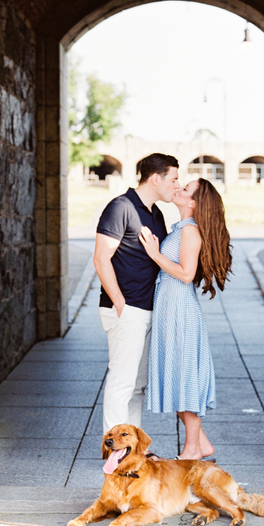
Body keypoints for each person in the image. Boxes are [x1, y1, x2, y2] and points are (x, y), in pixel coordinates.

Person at [139, 178, 232, 460]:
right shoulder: (181, 228)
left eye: (186, 188)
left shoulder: (190, 231)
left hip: (180, 312)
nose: (178, 188)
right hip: (171, 310)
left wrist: (154, 254)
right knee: (176, 378)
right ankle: (202, 444)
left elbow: (186, 274)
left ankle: (192, 450)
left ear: (193, 202)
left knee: (183, 379)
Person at [94, 153, 179, 433]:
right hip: (127, 310)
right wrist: (121, 304)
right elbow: (101, 259)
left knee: (137, 386)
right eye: (173, 179)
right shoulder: (121, 207)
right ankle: (114, 451)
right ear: (155, 179)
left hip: (147, 309)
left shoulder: (156, 214)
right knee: (122, 382)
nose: (177, 185)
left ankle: (131, 449)